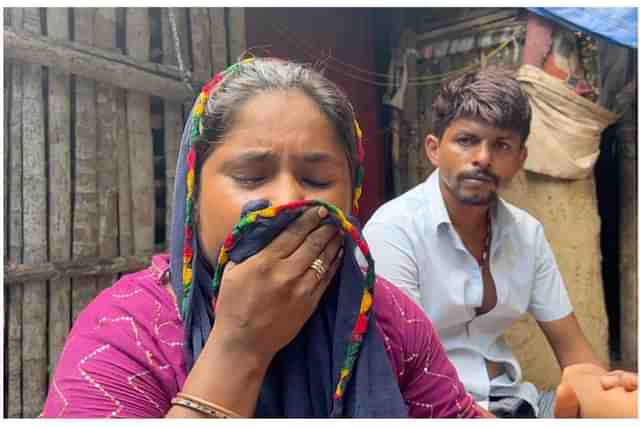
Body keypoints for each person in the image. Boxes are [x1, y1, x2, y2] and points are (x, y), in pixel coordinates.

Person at [40, 58, 487, 418]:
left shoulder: (388, 317)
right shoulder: (127, 331)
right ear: (195, 193)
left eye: (315, 178)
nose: (288, 199)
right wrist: (241, 345)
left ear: (350, 193)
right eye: (251, 176)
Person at [362, 67, 638, 417]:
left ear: (520, 159)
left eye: (501, 145)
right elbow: (404, 374)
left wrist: (604, 391)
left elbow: (573, 351)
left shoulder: (526, 233)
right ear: (434, 149)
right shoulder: (394, 229)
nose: (483, 158)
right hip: (433, 408)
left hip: (518, 400)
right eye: (466, 141)